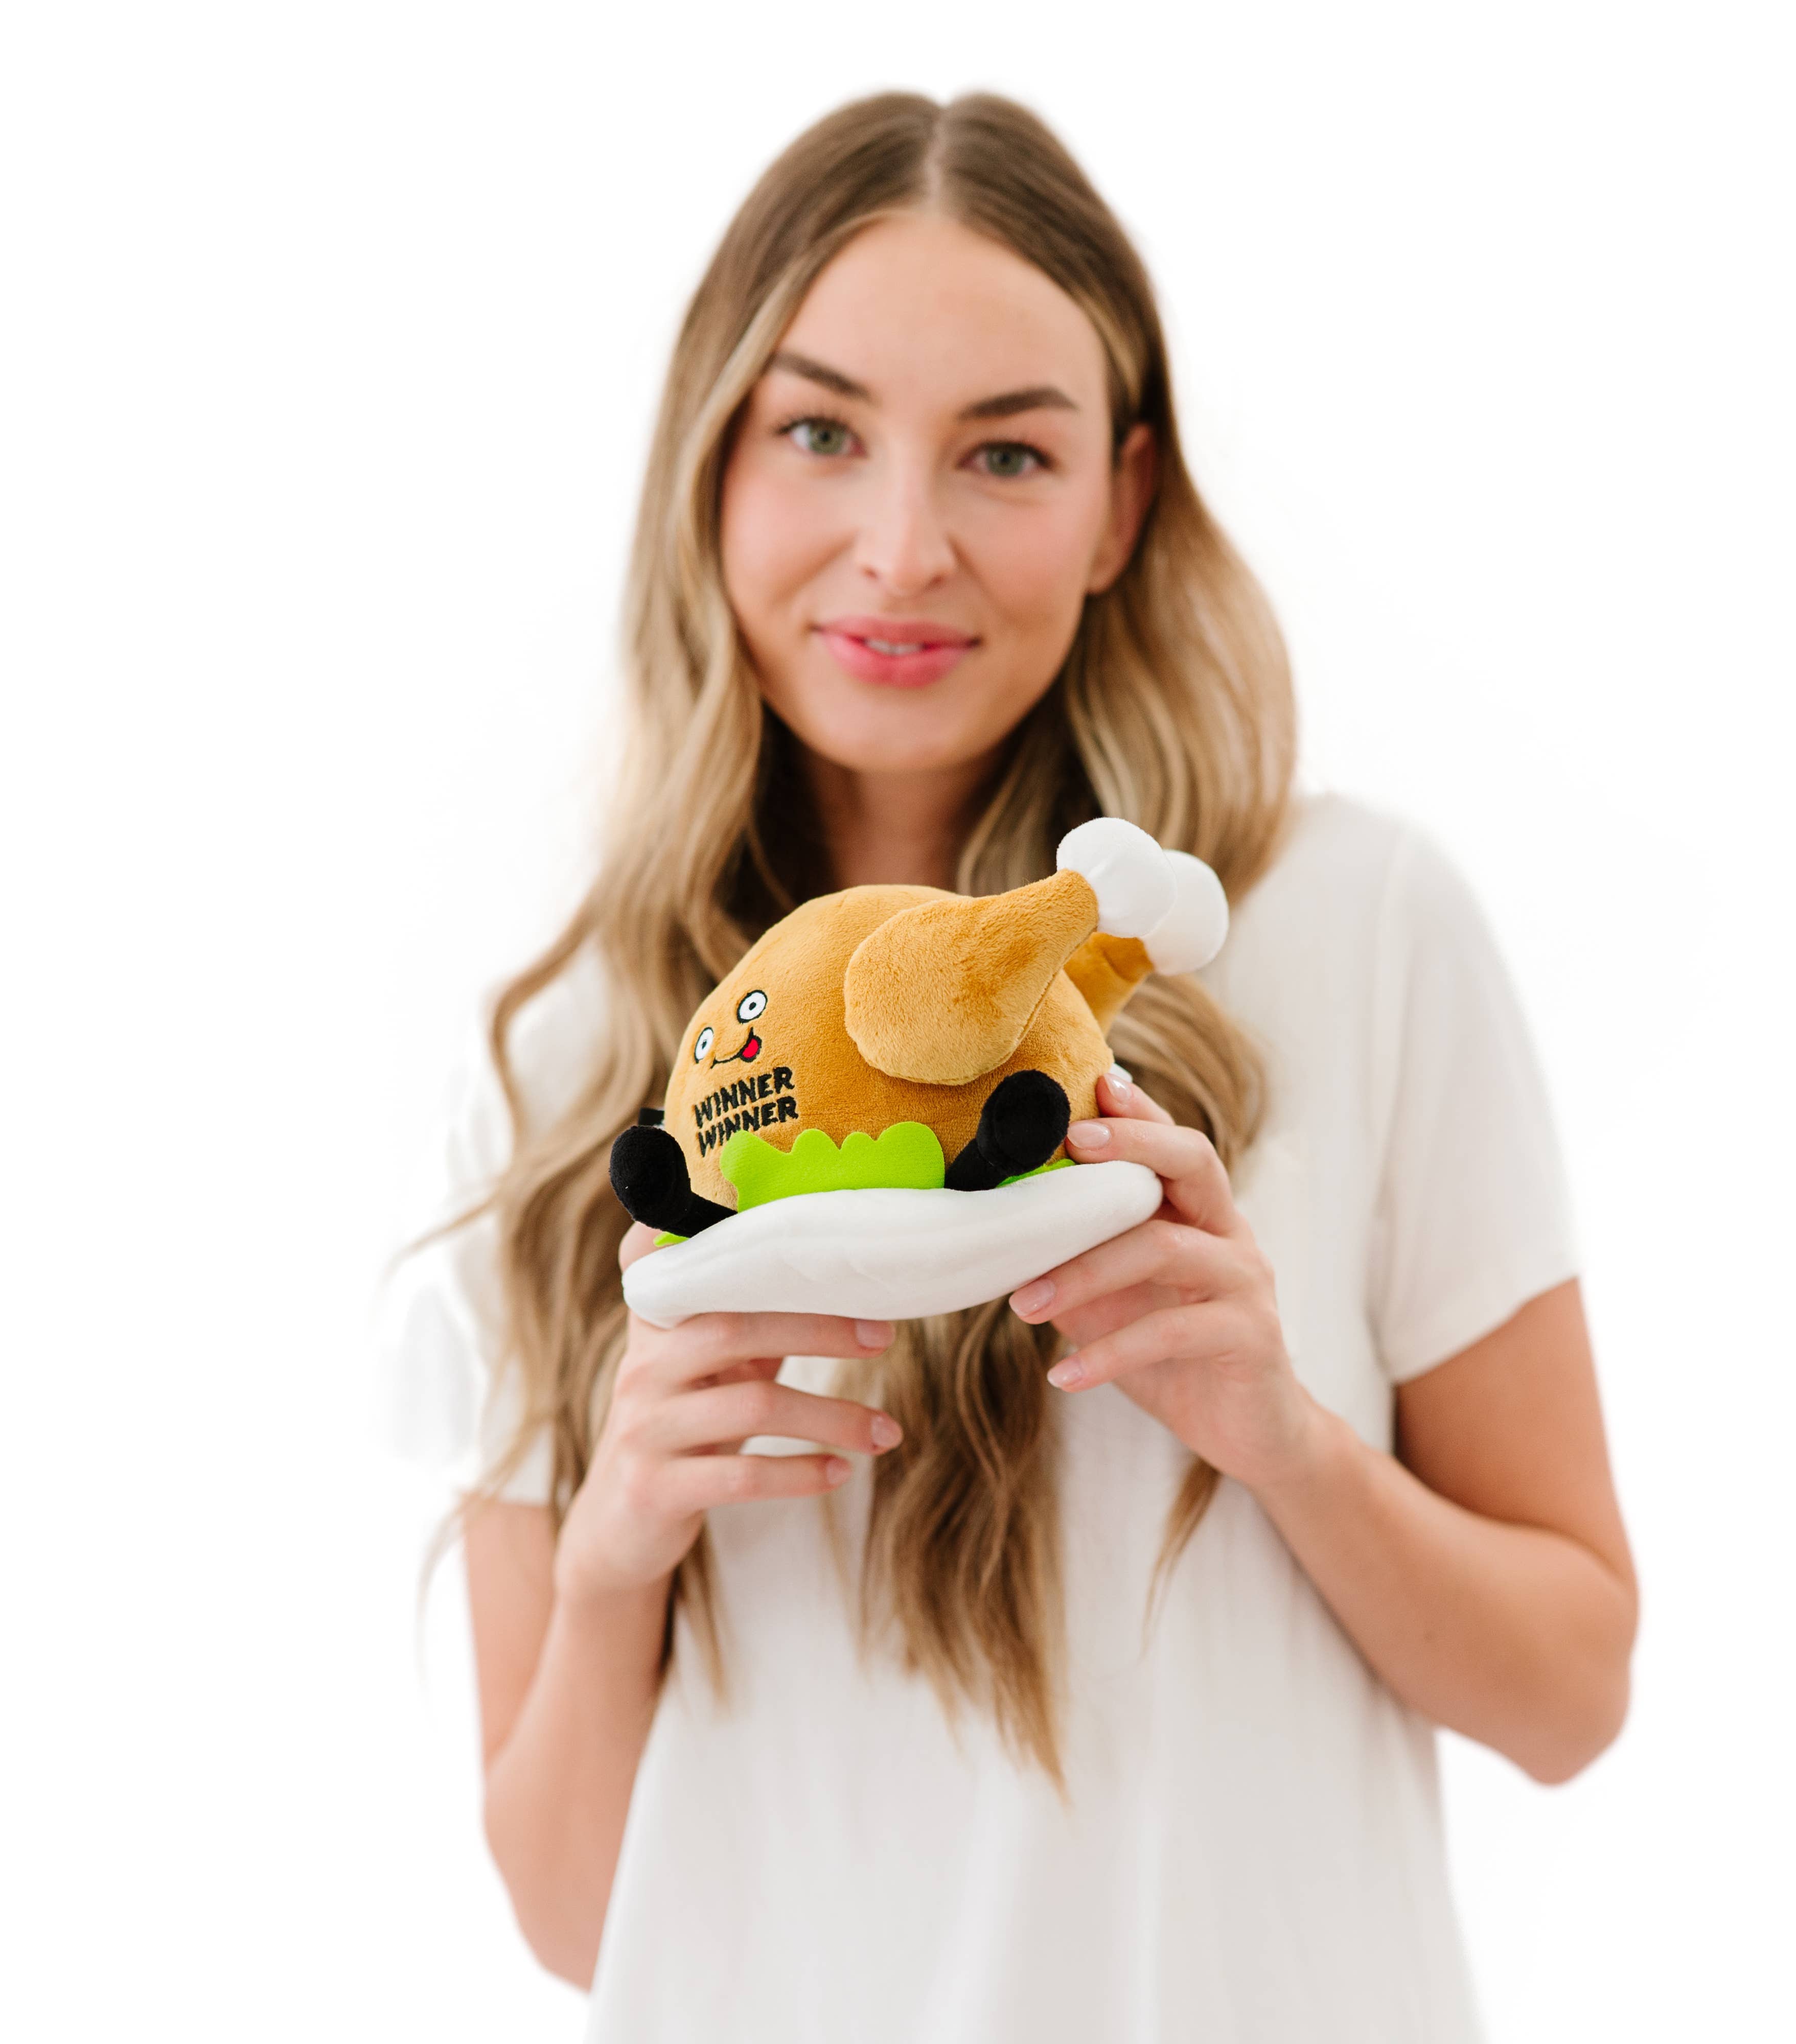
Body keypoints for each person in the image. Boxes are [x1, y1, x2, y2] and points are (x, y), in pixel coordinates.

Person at [383, 89, 1638, 2041]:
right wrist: (624, 1541)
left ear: (1122, 503)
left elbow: (1571, 1694)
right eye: (820, 432)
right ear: (709, 466)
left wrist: (1284, 1439)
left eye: (1007, 454)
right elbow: (571, 1925)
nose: (903, 549)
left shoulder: (1353, 929)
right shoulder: (569, 1075)